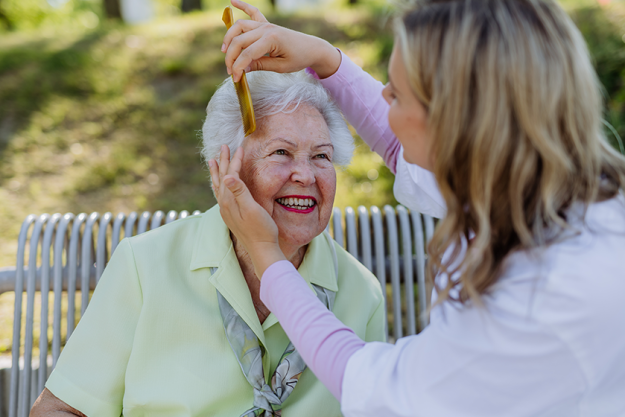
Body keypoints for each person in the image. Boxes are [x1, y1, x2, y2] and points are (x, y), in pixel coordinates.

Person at [212, 0, 625, 416]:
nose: (385, 100)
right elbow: (398, 147)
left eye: (399, 94)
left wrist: (266, 256)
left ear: (456, 123)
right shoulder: (527, 182)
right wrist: (324, 58)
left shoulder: (552, 296)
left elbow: (381, 390)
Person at [30, 70, 386, 417]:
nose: (306, 175)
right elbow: (61, 408)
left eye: (321, 156)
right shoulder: (145, 264)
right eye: (281, 153)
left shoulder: (361, 293)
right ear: (225, 165)